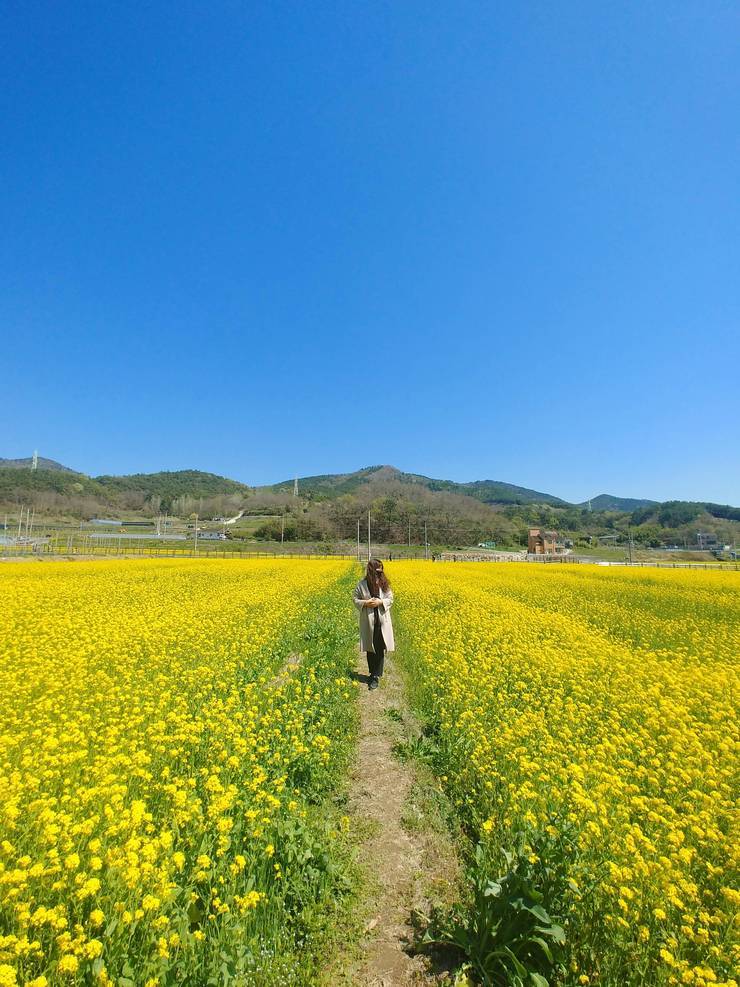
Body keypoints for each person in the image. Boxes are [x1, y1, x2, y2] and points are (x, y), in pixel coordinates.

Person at [353, 559, 395, 691]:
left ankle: (376, 676)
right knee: (371, 649)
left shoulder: (384, 584)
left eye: (381, 571)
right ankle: (372, 673)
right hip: (369, 621)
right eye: (377, 570)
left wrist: (380, 602)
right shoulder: (362, 584)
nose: (379, 573)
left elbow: (390, 598)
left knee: (380, 647)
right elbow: (355, 598)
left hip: (382, 621)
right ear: (371, 570)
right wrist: (365, 603)